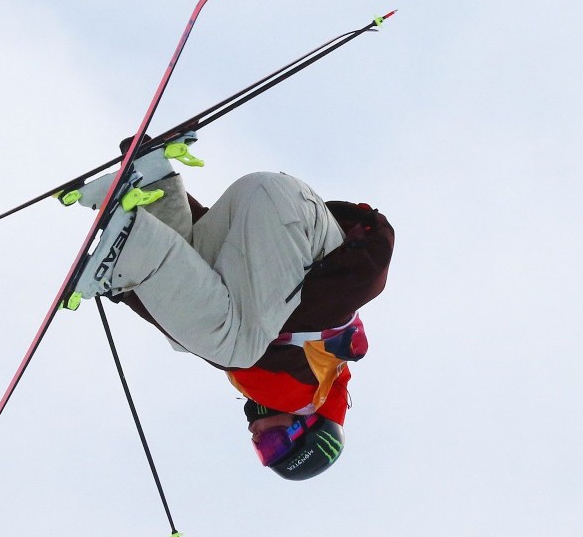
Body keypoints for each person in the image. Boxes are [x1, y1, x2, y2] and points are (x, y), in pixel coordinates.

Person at [65, 133, 393, 480]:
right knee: (228, 344)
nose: (257, 436)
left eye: (263, 450)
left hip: (272, 203)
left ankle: (151, 181)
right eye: (276, 442)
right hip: (295, 225)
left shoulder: (314, 360)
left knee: (202, 307)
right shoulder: (303, 395)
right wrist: (120, 285)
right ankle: (130, 243)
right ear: (306, 425)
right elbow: (207, 343)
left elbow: (197, 284)